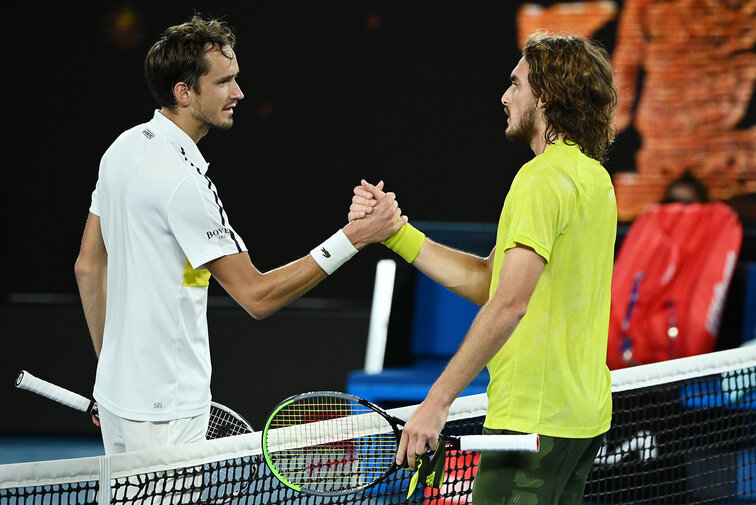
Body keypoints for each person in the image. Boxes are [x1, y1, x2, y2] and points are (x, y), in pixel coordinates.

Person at [74, 15, 405, 456]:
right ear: (184, 92)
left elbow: (88, 266)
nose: (238, 93)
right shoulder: (184, 184)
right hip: (167, 411)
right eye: (224, 82)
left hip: (119, 399)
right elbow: (257, 296)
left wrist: (110, 373)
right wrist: (354, 238)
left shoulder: (123, 148)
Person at [350, 31, 618, 504]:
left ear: (548, 97)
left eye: (517, 84)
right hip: (581, 423)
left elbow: (509, 304)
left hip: (531, 426)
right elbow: (486, 282)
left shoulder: (540, 180)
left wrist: (436, 403)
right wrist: (395, 233)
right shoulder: (593, 178)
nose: (505, 95)